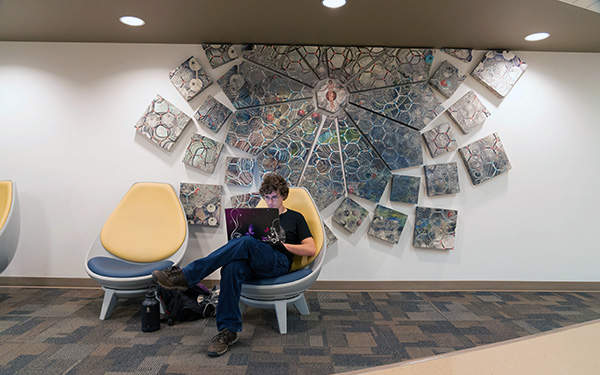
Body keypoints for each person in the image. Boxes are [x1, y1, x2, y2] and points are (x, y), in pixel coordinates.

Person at [152, 174, 315, 357]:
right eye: (267, 197)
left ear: (283, 195)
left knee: (246, 242)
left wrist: (282, 245)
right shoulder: (260, 217)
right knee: (231, 268)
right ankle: (227, 332)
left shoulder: (295, 217)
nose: (270, 202)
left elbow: (310, 248)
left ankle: (187, 276)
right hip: (253, 262)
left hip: (278, 262)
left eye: (274, 197)